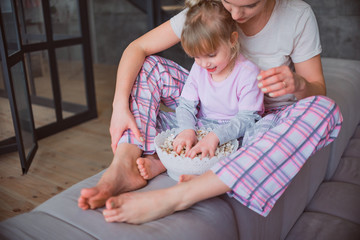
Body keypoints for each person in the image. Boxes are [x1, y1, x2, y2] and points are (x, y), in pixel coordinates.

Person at [78, 0, 343, 224]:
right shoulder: (207, 12)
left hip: (262, 123)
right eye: (228, 2)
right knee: (151, 67)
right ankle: (125, 164)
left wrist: (299, 85)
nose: (236, 15)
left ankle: (182, 194)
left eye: (249, 5)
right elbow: (138, 48)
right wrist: (119, 106)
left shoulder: (297, 17)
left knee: (325, 109)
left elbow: (318, 91)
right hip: (207, 110)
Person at [137, 0, 264, 180]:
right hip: (201, 124)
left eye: (211, 55)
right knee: (154, 120)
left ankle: (203, 174)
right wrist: (188, 130)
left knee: (260, 138)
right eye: (196, 57)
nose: (204, 64)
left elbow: (247, 119)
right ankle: (162, 162)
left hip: (233, 133)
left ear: (232, 40)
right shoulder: (200, 68)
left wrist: (216, 137)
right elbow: (186, 106)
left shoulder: (248, 74)